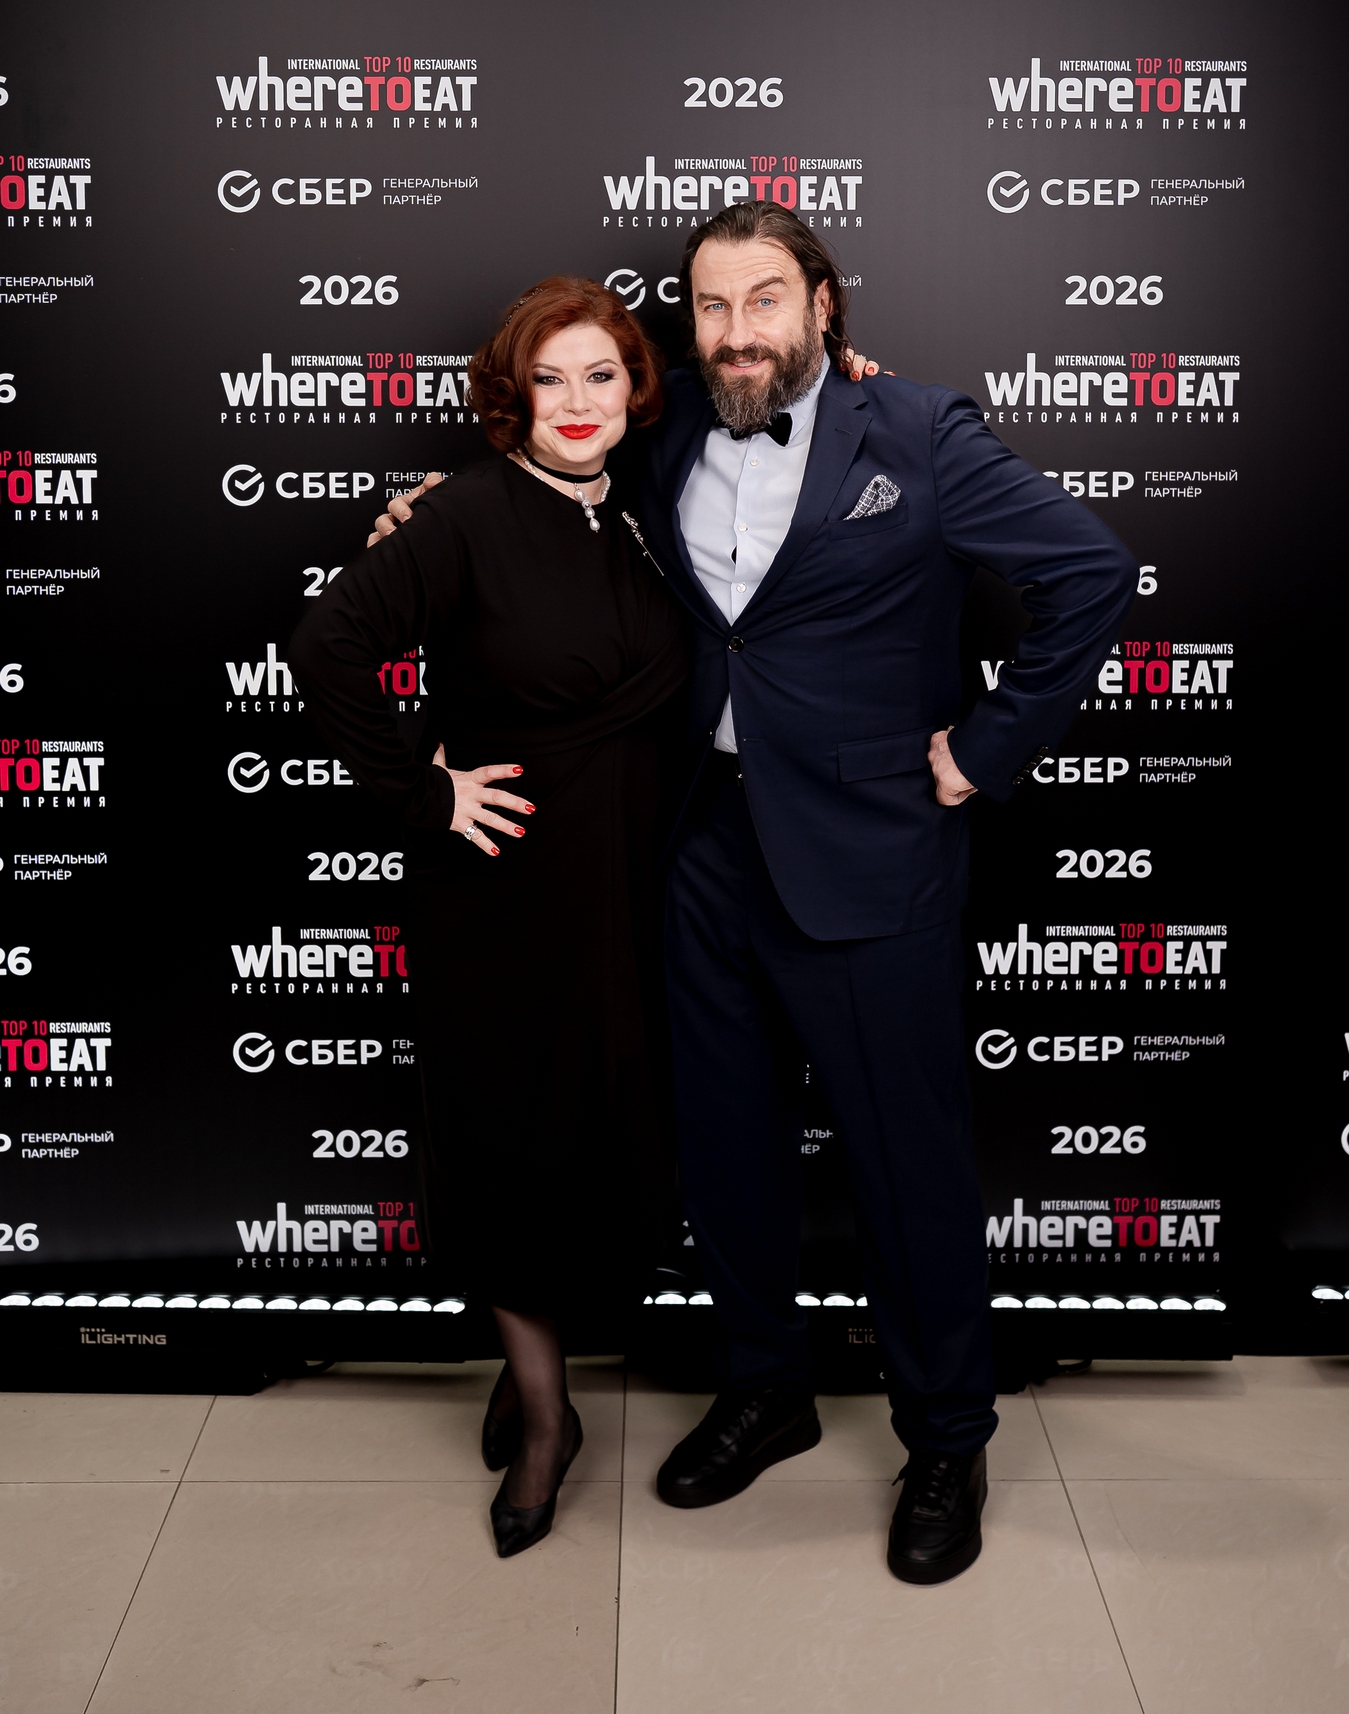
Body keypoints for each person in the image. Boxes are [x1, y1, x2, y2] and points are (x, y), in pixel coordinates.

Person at [375, 204, 1138, 1584]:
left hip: (871, 853)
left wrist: (986, 748)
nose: (737, 332)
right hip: (697, 844)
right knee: (724, 1149)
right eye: (713, 305)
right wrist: (422, 516)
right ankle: (765, 1384)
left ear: (822, 307)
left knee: (905, 1167)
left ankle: (947, 1436)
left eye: (766, 300)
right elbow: (541, 481)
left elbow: (1091, 570)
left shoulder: (916, 431)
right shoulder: (663, 423)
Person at [290, 277, 693, 1561]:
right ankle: (544, 1418)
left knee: (599, 1134)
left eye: (600, 376)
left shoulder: (648, 507)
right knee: (514, 1139)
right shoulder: (463, 513)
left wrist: (848, 367)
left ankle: (533, 1369)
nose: (576, 403)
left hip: (632, 885)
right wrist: (425, 791)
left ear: (635, 391)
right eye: (548, 379)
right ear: (511, 396)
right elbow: (329, 644)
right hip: (506, 896)